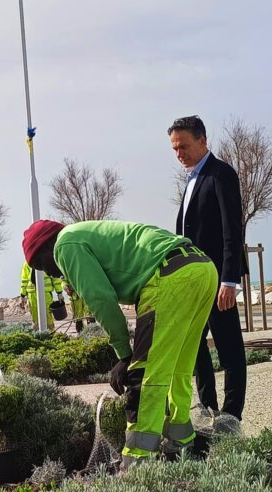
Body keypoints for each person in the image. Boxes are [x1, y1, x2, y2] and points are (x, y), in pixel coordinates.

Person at [22, 219, 218, 466]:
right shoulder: (85, 233)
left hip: (170, 277)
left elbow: (101, 299)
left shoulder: (65, 244)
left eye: (40, 263)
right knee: (179, 367)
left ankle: (137, 462)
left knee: (145, 374)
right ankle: (181, 444)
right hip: (201, 268)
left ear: (48, 245)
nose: (48, 272)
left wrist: (125, 356)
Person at [169, 115, 246, 422]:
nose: (179, 153)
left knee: (229, 350)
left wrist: (229, 279)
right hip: (192, 283)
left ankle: (231, 417)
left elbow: (232, 231)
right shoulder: (190, 181)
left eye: (184, 146)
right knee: (193, 346)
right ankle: (208, 407)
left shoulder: (221, 174)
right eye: (174, 148)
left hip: (217, 282)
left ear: (202, 141)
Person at [19, 261, 63, 330]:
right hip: (32, 293)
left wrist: (59, 292)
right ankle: (37, 333)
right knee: (35, 314)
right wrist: (22, 295)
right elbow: (24, 279)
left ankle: (50, 332)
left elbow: (55, 279)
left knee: (47, 314)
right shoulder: (27, 263)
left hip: (45, 292)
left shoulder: (47, 260)